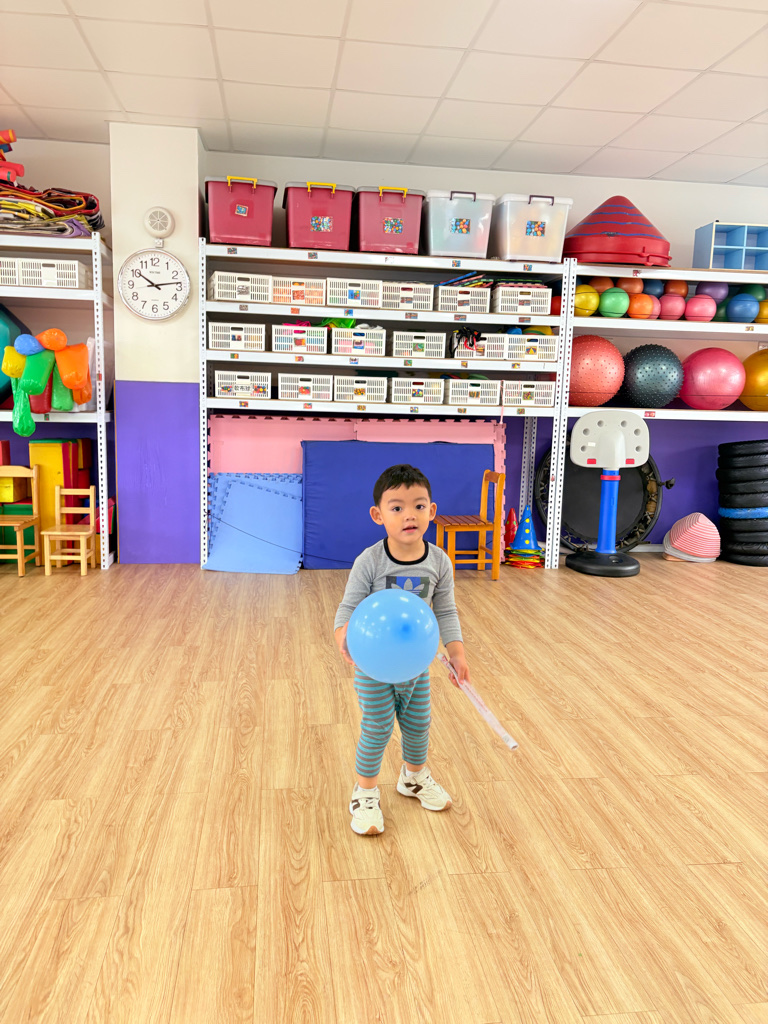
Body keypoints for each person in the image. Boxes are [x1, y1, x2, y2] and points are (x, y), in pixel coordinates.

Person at [334, 464, 471, 836]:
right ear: (378, 515)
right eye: (397, 508)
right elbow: (348, 608)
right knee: (378, 727)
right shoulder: (370, 561)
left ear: (432, 510)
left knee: (418, 724)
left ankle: (413, 777)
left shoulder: (439, 561)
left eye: (419, 506)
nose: (409, 515)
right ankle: (364, 793)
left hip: (415, 665)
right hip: (373, 667)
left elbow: (445, 610)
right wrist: (344, 636)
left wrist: (457, 653)